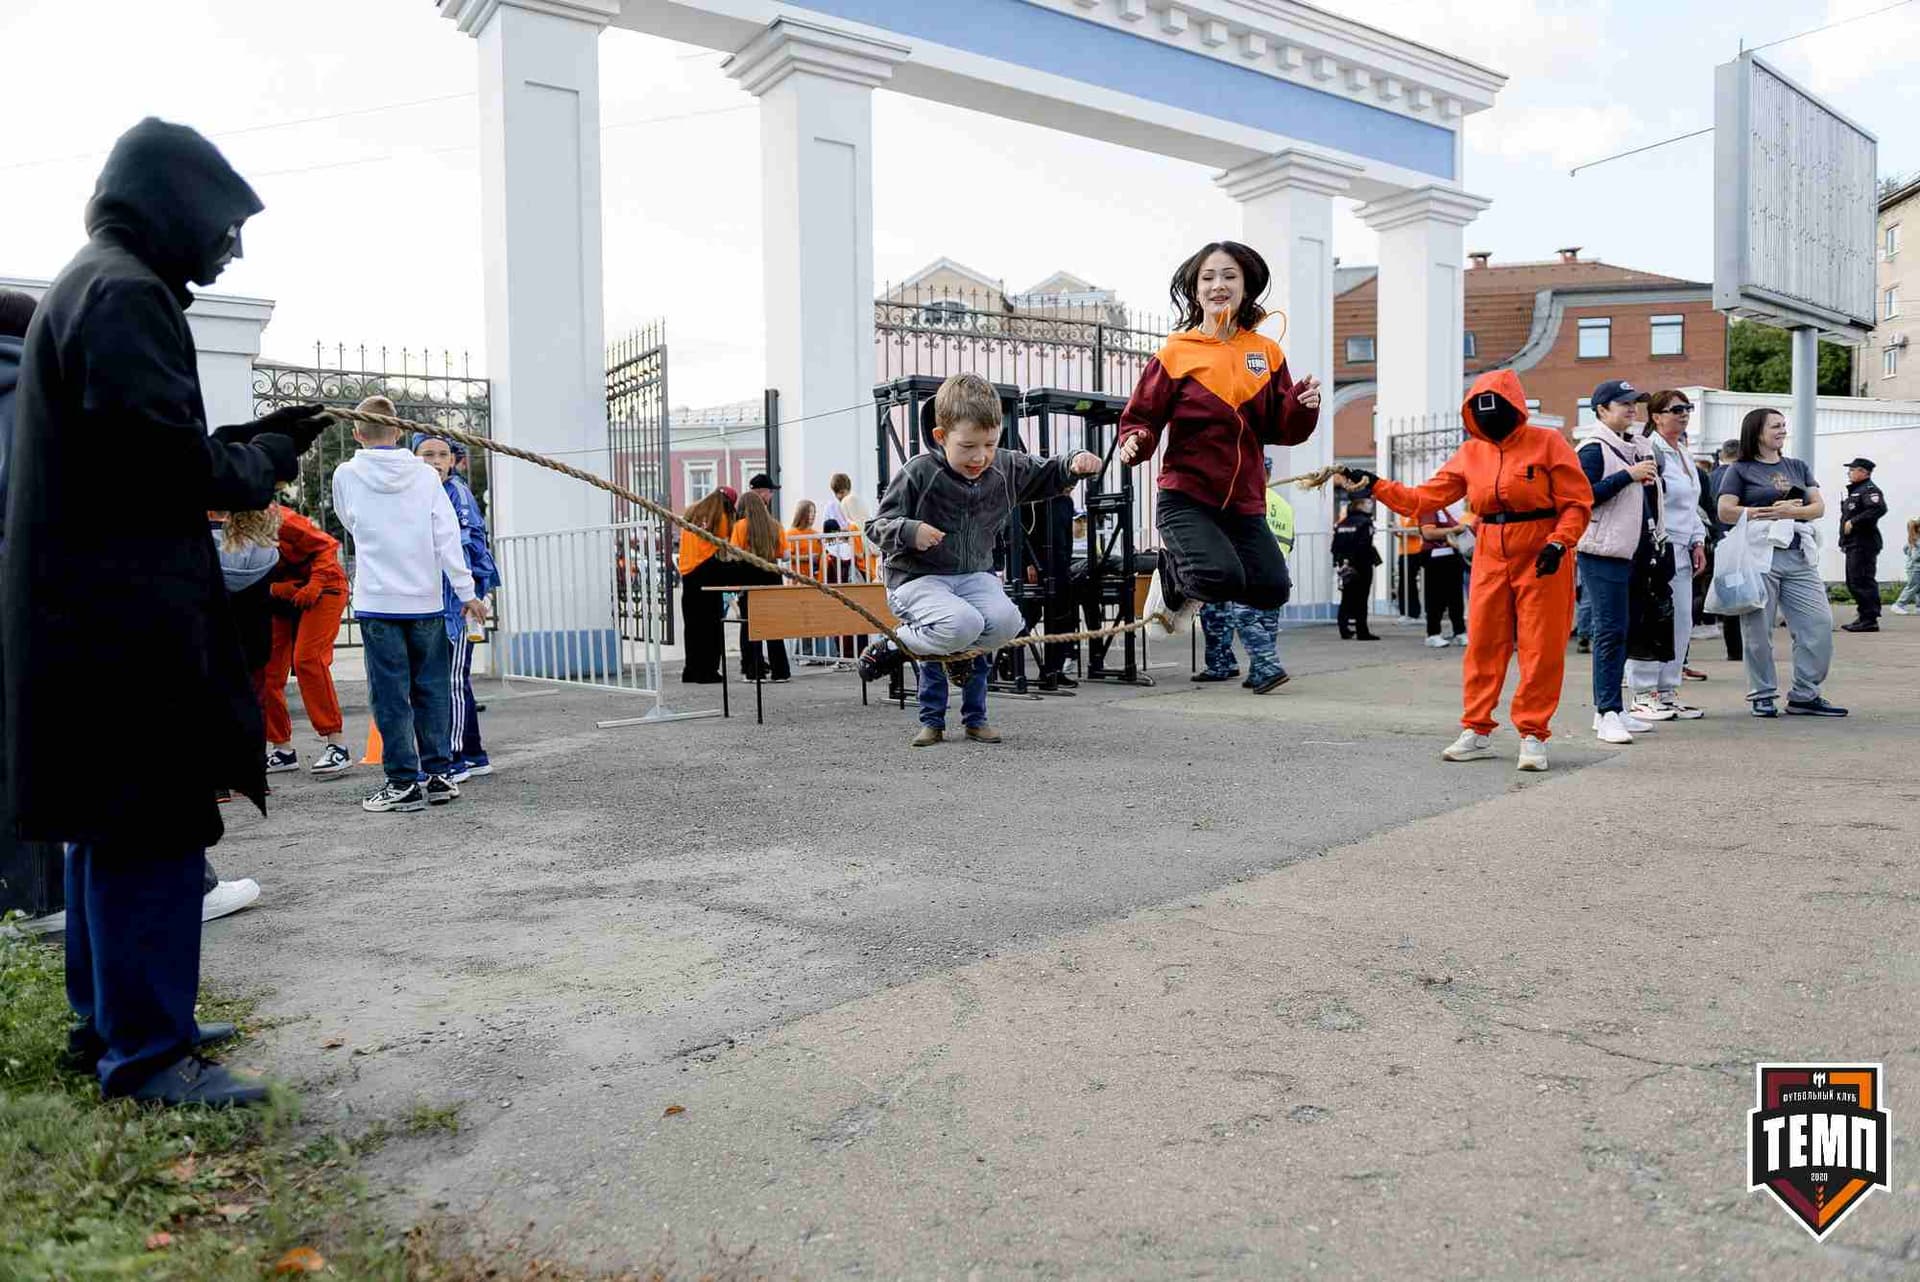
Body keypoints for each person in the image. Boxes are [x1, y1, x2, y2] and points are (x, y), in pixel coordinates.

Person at [3, 119, 331, 1105]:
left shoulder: (90, 283)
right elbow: (163, 464)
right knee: (148, 820)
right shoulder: (128, 296)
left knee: (108, 825)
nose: (230, 247)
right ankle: (148, 1058)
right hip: (122, 621)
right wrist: (263, 461)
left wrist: (247, 438)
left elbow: (138, 441)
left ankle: (115, 1023)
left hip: (84, 613)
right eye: (225, 224)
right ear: (172, 206)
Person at [1341, 370, 1592, 772]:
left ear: (1516, 407)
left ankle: (1532, 734)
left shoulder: (1549, 443)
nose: (1489, 417)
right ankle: (1477, 729)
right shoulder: (1471, 453)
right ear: (1471, 413)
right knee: (1483, 644)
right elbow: (1423, 497)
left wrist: (1561, 542)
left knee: (1540, 646)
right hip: (1491, 547)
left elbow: (1577, 502)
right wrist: (1373, 484)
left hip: (1543, 549)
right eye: (1479, 409)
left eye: (1496, 407)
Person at [858, 373, 1100, 746]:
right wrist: (910, 531)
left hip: (974, 573)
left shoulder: (1003, 467)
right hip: (918, 578)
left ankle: (975, 717)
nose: (980, 457)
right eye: (968, 446)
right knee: (955, 627)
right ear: (941, 437)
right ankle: (902, 664)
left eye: (990, 444)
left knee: (1005, 622)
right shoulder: (918, 473)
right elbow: (876, 527)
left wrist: (1073, 463)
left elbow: (1047, 471)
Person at [1117, 241, 1320, 633]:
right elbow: (1142, 416)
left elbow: (1281, 428)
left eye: (1229, 276)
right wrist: (1135, 439)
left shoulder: (1267, 353)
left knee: (1272, 589)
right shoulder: (1176, 353)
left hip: (1244, 503)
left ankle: (1200, 576)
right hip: (1187, 497)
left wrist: (1302, 404)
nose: (1218, 285)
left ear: (1246, 286)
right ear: (1195, 290)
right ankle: (1174, 574)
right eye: (1207, 278)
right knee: (1220, 577)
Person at [333, 396, 487, 812]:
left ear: (356, 432)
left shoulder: (346, 473)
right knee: (432, 689)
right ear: (399, 431)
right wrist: (466, 592)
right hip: (424, 600)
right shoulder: (425, 477)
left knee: (389, 694)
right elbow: (447, 537)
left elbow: (349, 521)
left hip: (378, 600)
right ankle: (438, 775)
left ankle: (402, 781)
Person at [1715, 407, 1846, 718]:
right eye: (1775, 426)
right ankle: (1762, 694)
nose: (1782, 430)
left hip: (1798, 555)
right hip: (1759, 558)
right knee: (1758, 631)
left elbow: (1818, 508)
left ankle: (1805, 694)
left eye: (1784, 425)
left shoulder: (1797, 466)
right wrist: (1769, 511)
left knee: (1818, 624)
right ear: (1757, 432)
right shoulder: (1740, 469)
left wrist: (1792, 512)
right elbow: (1725, 511)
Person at [1574, 379, 1661, 746]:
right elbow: (1579, 498)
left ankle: (1613, 709)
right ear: (1601, 410)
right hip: (1603, 550)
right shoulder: (1593, 449)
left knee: (1623, 629)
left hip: (1633, 549)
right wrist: (1628, 475)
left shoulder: (1635, 445)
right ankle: (1607, 711)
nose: (1631, 409)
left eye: (1634, 403)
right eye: (1623, 403)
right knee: (1609, 631)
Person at [415, 432, 500, 780]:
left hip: (457, 603)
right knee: (452, 680)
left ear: (453, 460)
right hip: (438, 601)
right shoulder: (423, 492)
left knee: (450, 681)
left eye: (442, 454)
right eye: (426, 455)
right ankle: (475, 754)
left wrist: (472, 596)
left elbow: (465, 552)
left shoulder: (456, 494)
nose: (435, 461)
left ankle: (453, 758)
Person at [1623, 391, 1708, 721]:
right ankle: (1643, 693)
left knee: (1681, 621)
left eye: (1687, 408)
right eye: (1676, 409)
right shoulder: (1650, 450)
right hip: (1657, 547)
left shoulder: (1682, 452)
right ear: (1656, 416)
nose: (1684, 414)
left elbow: (1691, 505)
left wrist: (1699, 540)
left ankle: (1668, 691)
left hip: (1684, 547)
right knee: (1651, 619)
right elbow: (1647, 502)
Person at [262, 504, 353, 775]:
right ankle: (282, 749)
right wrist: (273, 589)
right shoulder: (218, 524)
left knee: (307, 659)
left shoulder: (281, 517)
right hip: (280, 595)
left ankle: (337, 745)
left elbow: (327, 545)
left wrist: (315, 583)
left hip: (324, 586)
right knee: (265, 671)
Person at [728, 490, 793, 683]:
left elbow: (734, 554)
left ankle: (754, 671)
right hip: (772, 574)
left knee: (750, 624)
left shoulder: (740, 526)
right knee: (773, 624)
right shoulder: (775, 526)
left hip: (749, 575)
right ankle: (780, 671)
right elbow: (786, 555)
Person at [676, 487, 735, 683]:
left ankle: (691, 669)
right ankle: (708, 670)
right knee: (711, 624)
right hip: (707, 570)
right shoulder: (721, 518)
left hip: (688, 573)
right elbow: (728, 544)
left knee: (692, 625)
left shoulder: (691, 512)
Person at [1704, 439, 1744, 663]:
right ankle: (1740, 650)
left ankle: (1734, 650)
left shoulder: (1710, 477)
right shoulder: (1740, 477)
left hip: (1717, 543)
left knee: (1729, 595)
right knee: (1745, 595)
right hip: (1739, 543)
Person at [1838, 457, 1887, 633]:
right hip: (1854, 543)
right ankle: (1864, 616)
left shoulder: (1869, 490)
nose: (1849, 472)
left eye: (1853, 469)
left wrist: (1855, 522)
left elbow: (1878, 508)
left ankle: (1869, 619)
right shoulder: (1856, 491)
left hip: (1864, 543)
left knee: (1862, 580)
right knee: (1854, 581)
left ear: (1864, 472)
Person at [1330, 490, 1382, 641]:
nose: (1370, 504)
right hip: (1361, 565)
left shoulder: (1342, 523)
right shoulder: (1365, 522)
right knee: (1361, 599)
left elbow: (1335, 547)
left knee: (1346, 597)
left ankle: (1344, 629)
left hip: (1345, 565)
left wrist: (1341, 562)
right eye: (1367, 501)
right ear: (1359, 504)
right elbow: (1364, 545)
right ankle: (1362, 631)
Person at [1413, 504, 1467, 647]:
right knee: (1435, 597)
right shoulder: (1427, 510)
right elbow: (1428, 533)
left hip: (1452, 557)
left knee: (1455, 597)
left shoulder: (1445, 511)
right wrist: (1454, 530)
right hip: (1435, 558)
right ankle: (1433, 633)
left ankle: (1460, 631)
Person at [1892, 517, 1920, 615]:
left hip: (1913, 568)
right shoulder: (1918, 540)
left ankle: (1918, 607)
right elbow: (1916, 556)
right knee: (1913, 586)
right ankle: (1899, 605)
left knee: (1918, 588)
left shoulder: (1913, 539)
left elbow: (1905, 549)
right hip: (1915, 569)